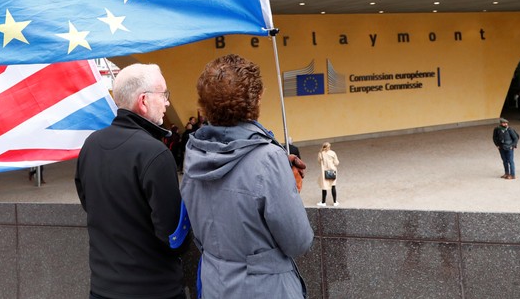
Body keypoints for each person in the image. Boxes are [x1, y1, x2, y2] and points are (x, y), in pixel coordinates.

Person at [181, 54, 313, 298]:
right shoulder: (268, 158)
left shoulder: (194, 153)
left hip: (214, 286)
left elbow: (202, 234)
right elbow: (298, 241)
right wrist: (282, 182)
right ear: (257, 99)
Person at [75, 63, 188, 299]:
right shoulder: (155, 153)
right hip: (153, 290)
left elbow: (89, 204)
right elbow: (172, 236)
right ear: (144, 101)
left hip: (103, 287)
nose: (167, 102)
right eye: (164, 94)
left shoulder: (91, 145)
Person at [316, 142, 339, 207]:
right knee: (333, 186)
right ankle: (335, 202)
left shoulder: (320, 154)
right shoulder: (333, 153)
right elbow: (336, 162)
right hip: (332, 171)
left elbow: (319, 162)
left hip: (324, 172)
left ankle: (323, 202)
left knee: (324, 187)